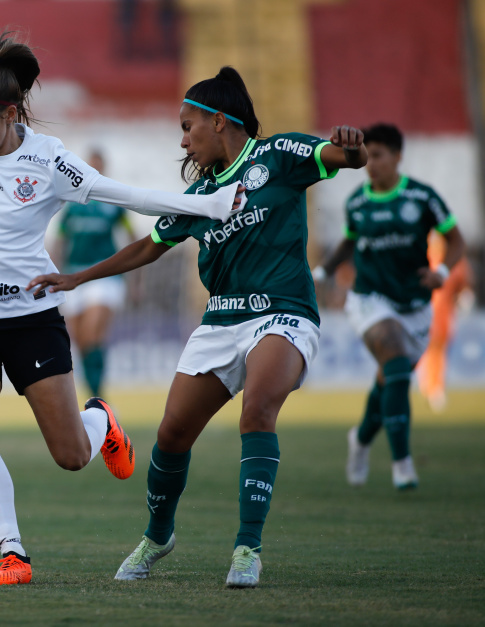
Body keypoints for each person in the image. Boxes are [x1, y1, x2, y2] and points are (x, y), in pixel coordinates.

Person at [0, 32, 245, 585]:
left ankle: (98, 420)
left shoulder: (51, 161)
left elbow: (122, 194)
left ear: (10, 114)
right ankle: (13, 553)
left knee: (70, 456)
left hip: (32, 317)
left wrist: (204, 204)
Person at [29, 66, 367, 588]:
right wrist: (77, 278)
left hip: (283, 310)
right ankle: (158, 536)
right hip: (221, 319)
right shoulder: (200, 193)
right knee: (171, 435)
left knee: (258, 410)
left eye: (188, 126)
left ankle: (247, 548)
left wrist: (353, 147)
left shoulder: (278, 156)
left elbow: (341, 157)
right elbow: (148, 246)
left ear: (219, 120)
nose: (183, 138)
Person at [313, 123, 466, 490]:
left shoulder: (422, 197)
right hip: (369, 300)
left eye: (379, 154)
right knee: (396, 362)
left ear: (398, 156)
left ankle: (361, 439)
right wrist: (320, 273)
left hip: (415, 304)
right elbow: (348, 245)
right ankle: (403, 464)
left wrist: (442, 271)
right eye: (369, 155)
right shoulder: (358, 203)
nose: (371, 163)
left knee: (390, 379)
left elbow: (455, 240)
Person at [57, 149, 136, 398]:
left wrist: (135, 279)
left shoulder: (114, 203)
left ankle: (100, 400)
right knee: (79, 342)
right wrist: (54, 274)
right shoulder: (71, 204)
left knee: (92, 335)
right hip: (73, 277)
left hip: (104, 276)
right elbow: (60, 240)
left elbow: (132, 238)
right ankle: (97, 397)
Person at [417, 232, 472, 412]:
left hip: (443, 316)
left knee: (438, 351)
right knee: (427, 351)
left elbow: (463, 285)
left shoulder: (454, 262)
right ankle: (429, 385)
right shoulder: (422, 259)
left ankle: (434, 387)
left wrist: (465, 298)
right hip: (422, 313)